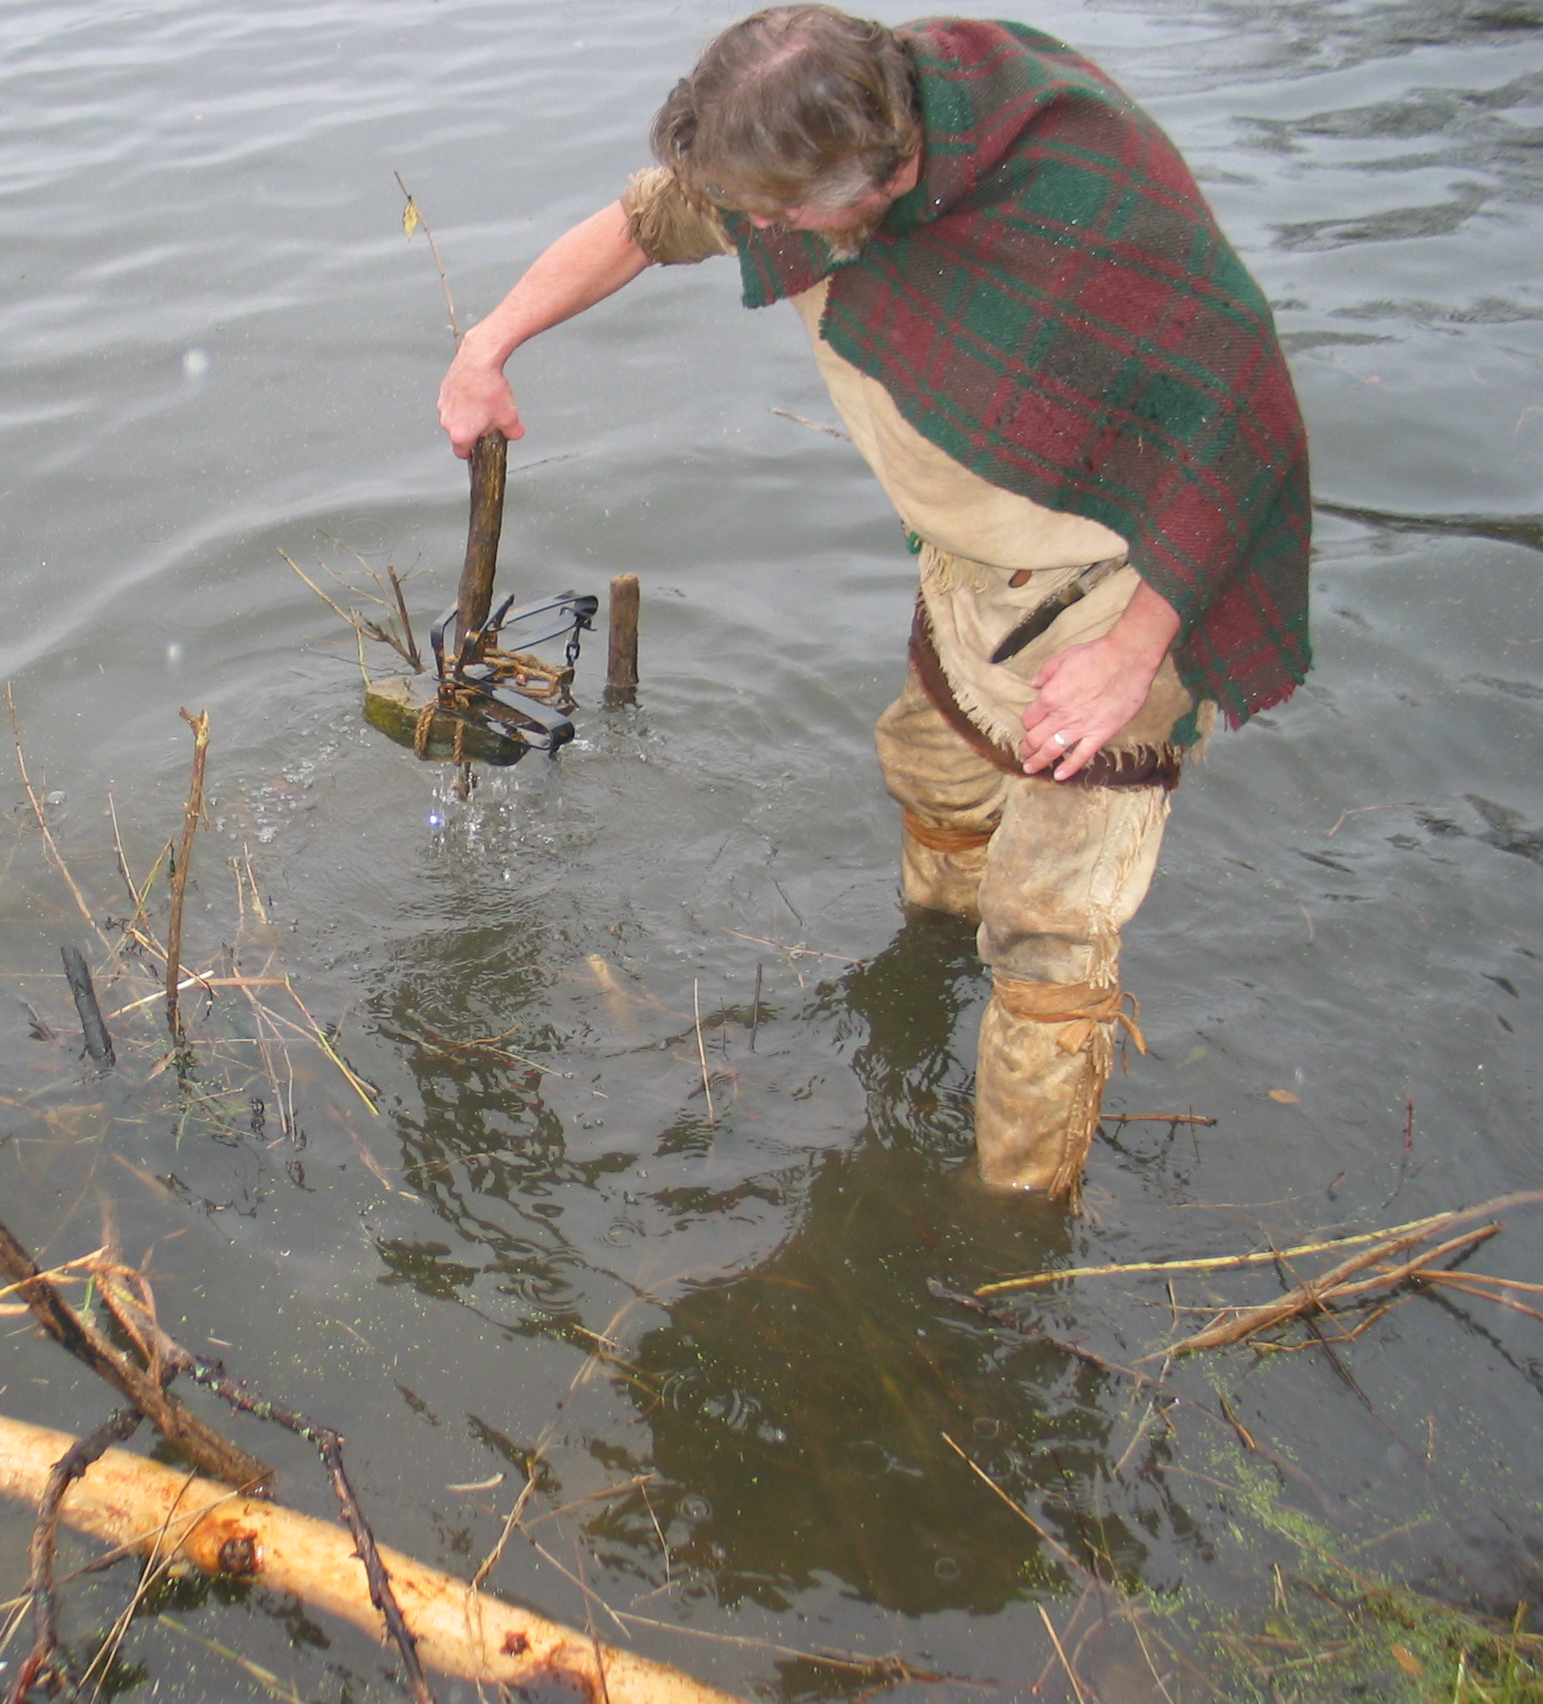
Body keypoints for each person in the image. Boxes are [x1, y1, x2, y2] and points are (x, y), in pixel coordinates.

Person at [437, 5, 1310, 1198]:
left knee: (1048, 938)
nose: (749, 237)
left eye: (769, 220)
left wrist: (1133, 653)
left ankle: (1005, 1236)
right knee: (930, 773)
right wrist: (487, 346)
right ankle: (930, 968)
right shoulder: (812, 145)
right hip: (970, 569)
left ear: (878, 180)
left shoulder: (1071, 194)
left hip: (1113, 595)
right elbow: (643, 223)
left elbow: (1242, 417)